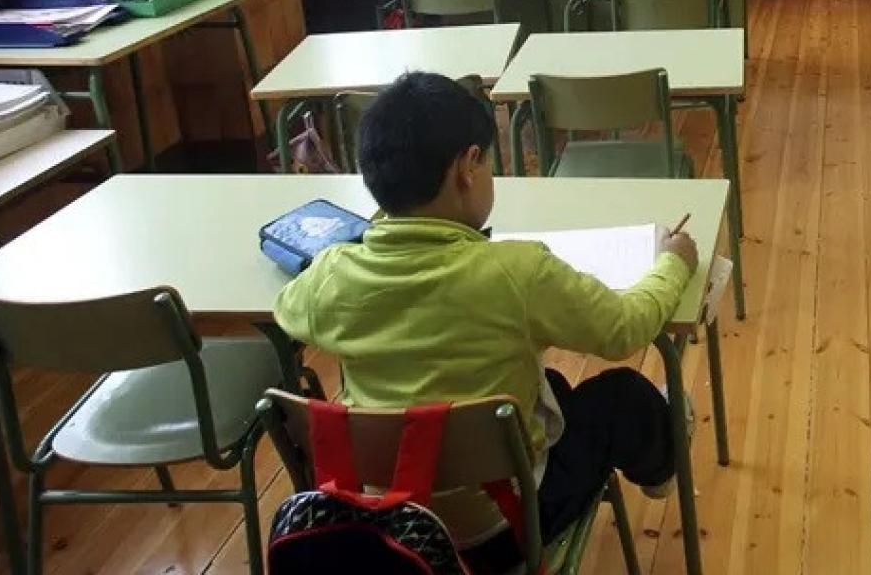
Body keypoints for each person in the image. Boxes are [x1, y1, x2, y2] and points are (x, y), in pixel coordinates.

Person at [273, 72, 697, 571]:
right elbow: (626, 327)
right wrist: (674, 262)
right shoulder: (518, 272)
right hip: (502, 532)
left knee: (550, 384)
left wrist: (362, 245)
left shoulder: (332, 274)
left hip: (386, 519)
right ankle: (663, 461)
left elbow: (287, 307)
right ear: (467, 168)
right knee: (622, 395)